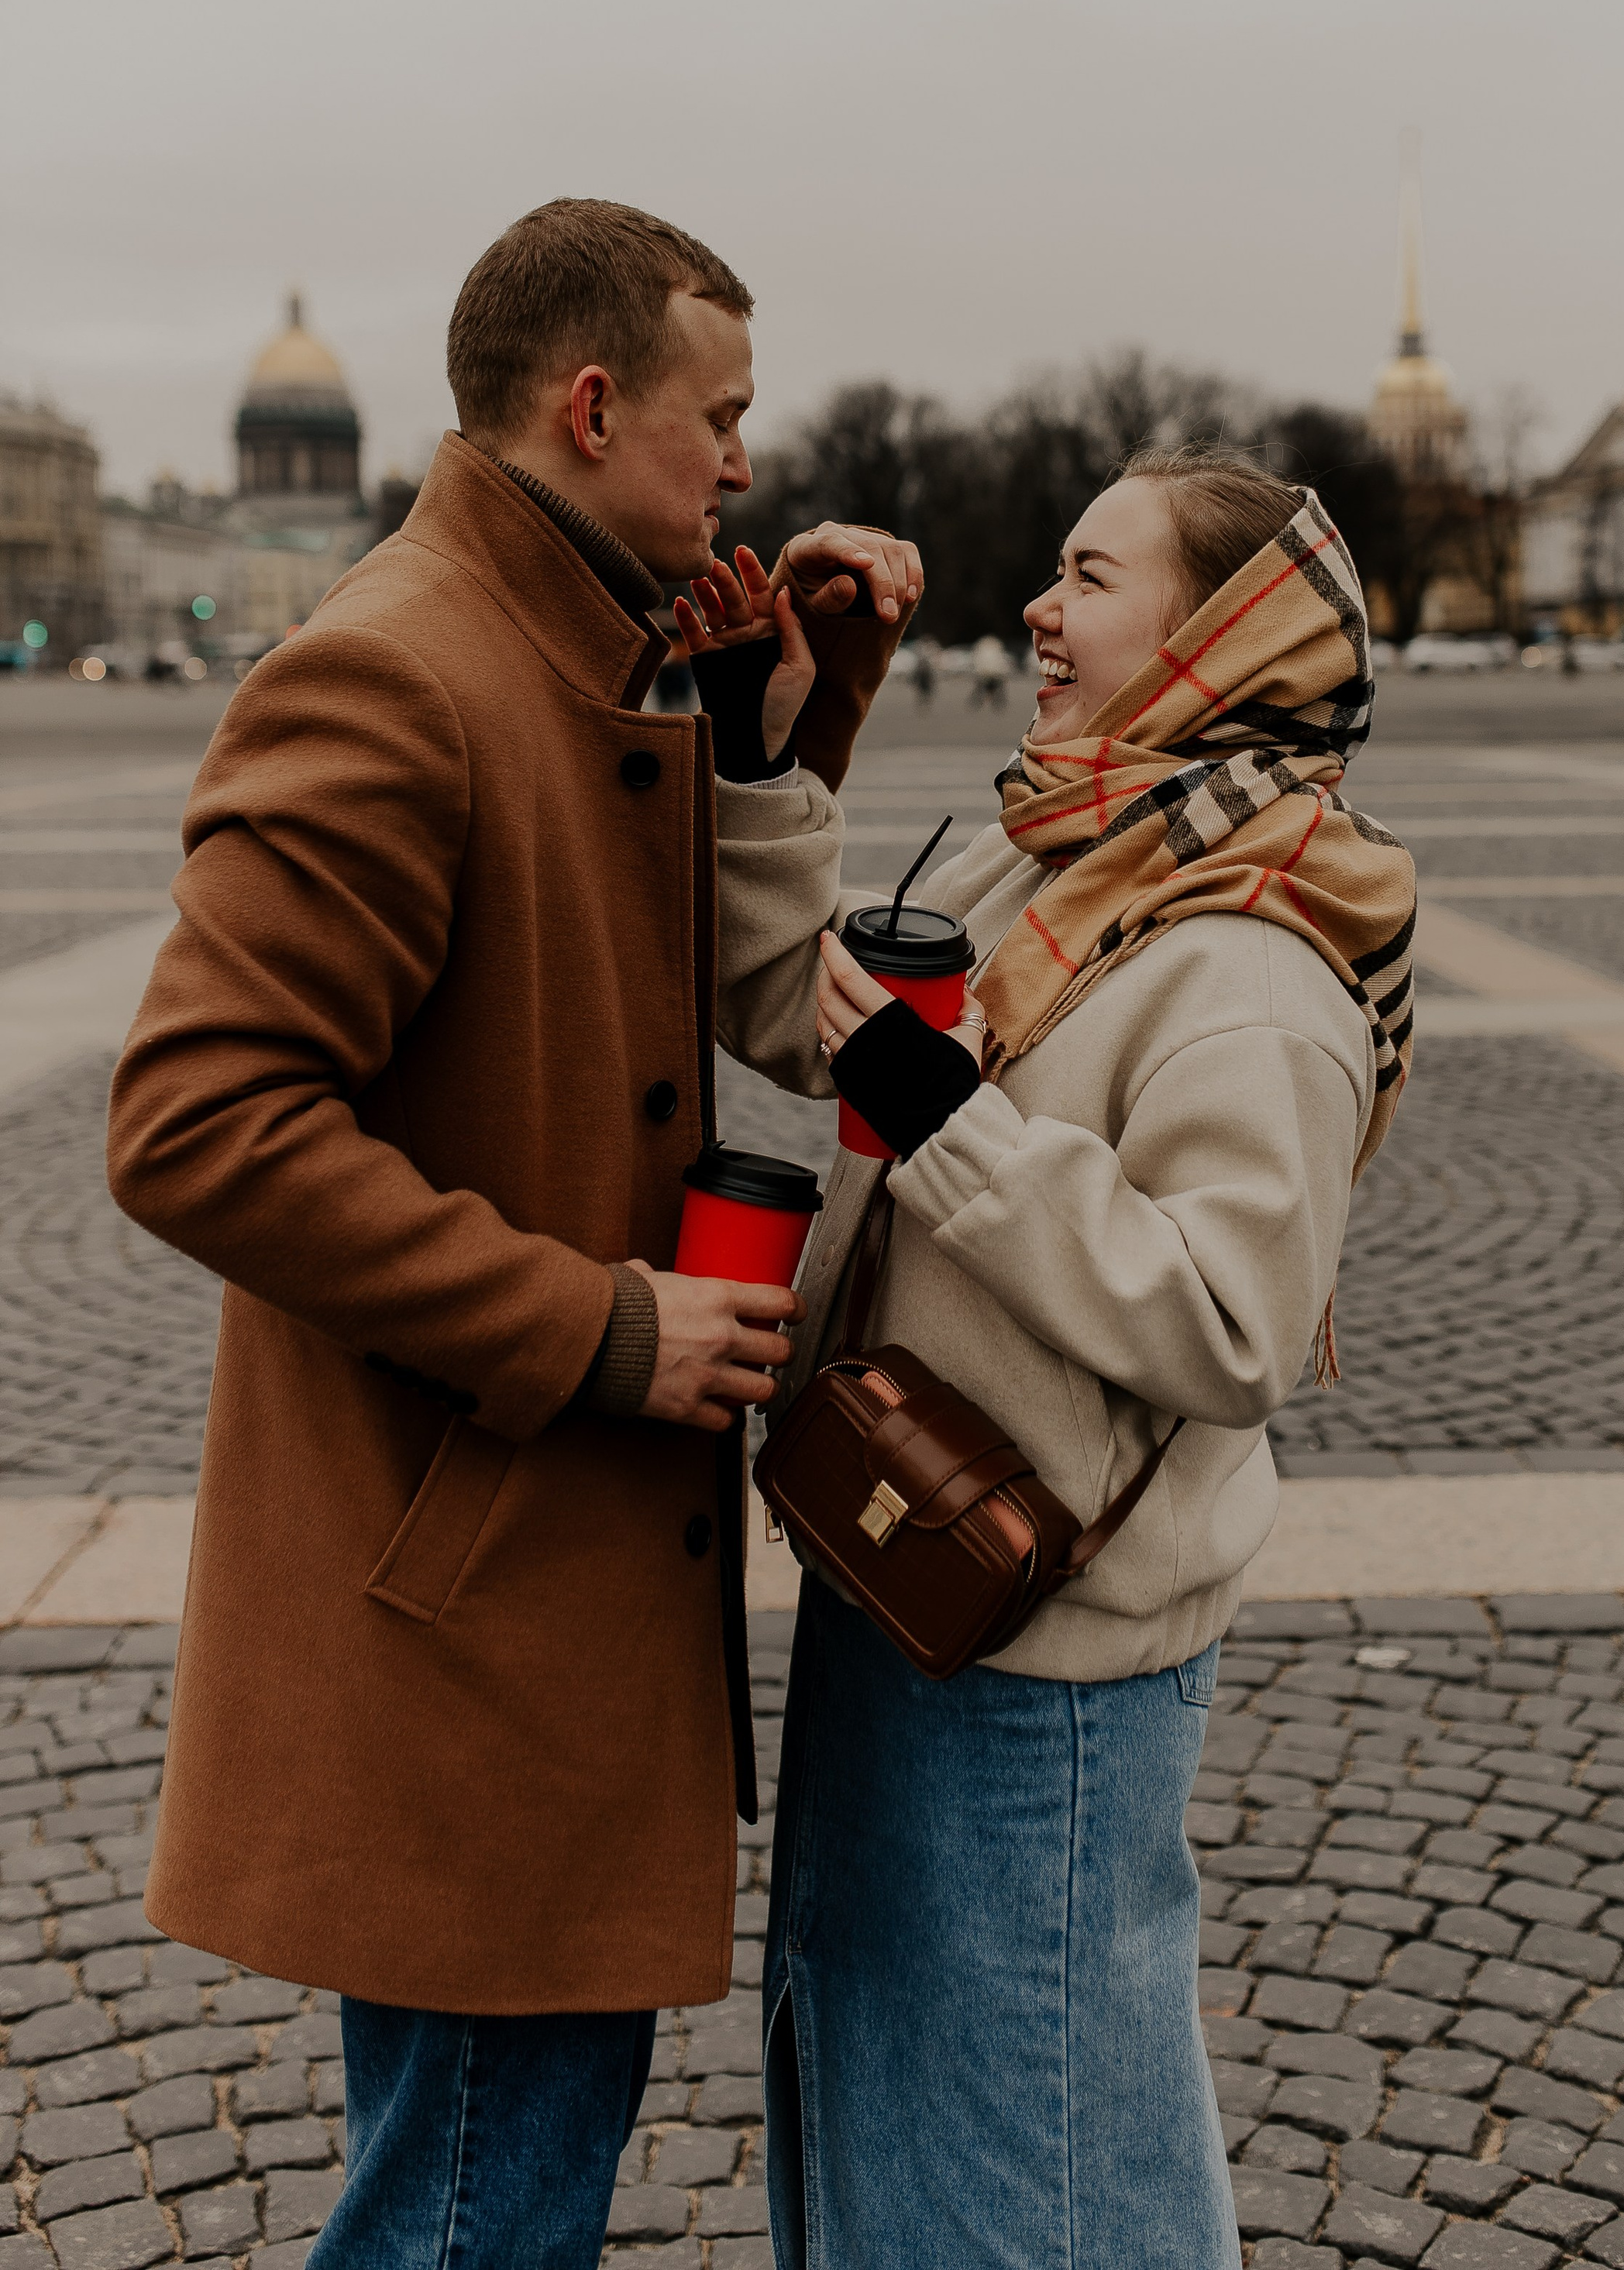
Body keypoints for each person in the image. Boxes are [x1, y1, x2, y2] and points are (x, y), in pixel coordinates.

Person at [106, 197, 912, 2270]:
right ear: (589, 404)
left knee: (483, 2187)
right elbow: (196, 1123)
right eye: (717, 416)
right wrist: (601, 1326)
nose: (743, 461)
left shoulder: (562, 647)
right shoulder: (398, 674)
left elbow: (716, 1002)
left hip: (513, 1587)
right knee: (469, 2212)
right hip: (469, 1599)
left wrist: (785, 723)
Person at [745, 447, 1417, 2270]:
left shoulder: (1254, 951)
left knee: (1030, 2166)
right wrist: (769, 736)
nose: (1038, 608)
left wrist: (938, 1118)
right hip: (908, 1567)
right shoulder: (1052, 847)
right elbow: (807, 1014)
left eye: (1087, 576)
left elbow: (1232, 1319)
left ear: (1211, 631)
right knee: (930, 2119)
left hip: (1045, 1645)